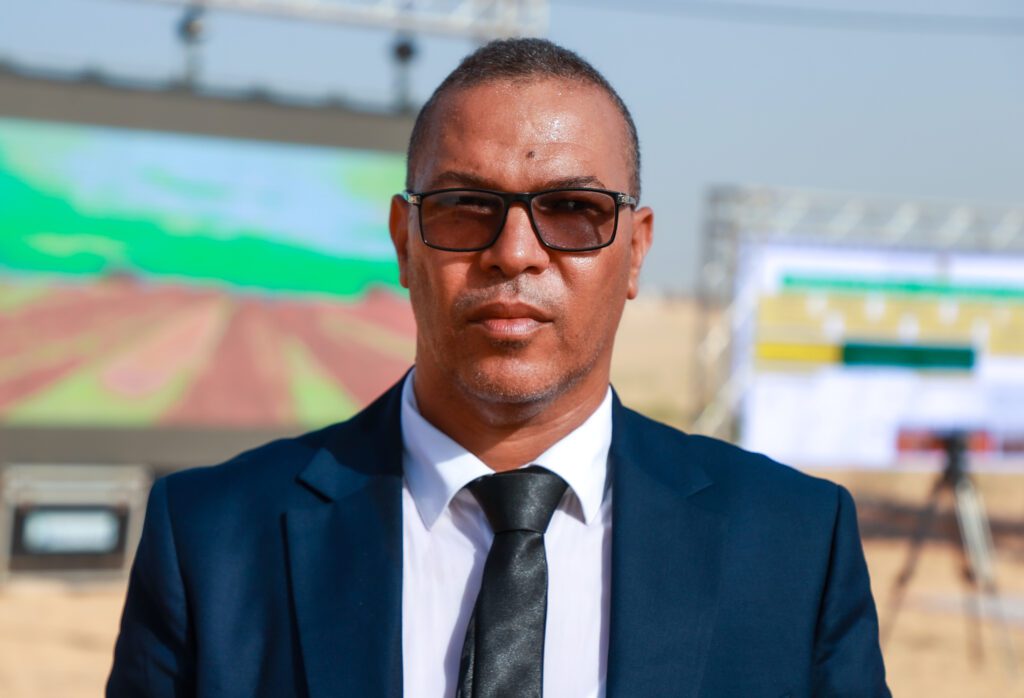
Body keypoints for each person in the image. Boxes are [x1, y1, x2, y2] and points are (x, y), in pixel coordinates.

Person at [107, 38, 889, 698]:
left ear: (636, 251)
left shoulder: (793, 545)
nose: (515, 253)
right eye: (465, 207)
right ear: (405, 242)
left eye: (574, 210)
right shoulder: (213, 540)